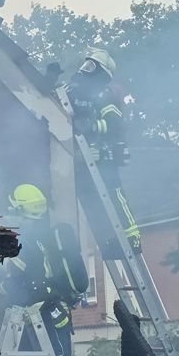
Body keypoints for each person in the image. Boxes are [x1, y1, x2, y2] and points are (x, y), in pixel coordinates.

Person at [0, 184, 93, 356]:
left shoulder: (26, 241)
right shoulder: (45, 236)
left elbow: (17, 278)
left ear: (19, 210)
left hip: (45, 311)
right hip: (55, 309)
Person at [62, 48, 141, 254]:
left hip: (104, 158)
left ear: (101, 73)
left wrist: (92, 126)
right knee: (93, 202)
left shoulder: (104, 96)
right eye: (85, 65)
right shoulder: (72, 90)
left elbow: (114, 125)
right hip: (83, 161)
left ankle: (132, 238)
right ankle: (109, 241)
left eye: (91, 66)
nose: (85, 69)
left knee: (114, 196)